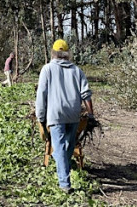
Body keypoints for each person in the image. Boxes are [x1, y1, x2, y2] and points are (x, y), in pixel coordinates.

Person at [35, 39, 94, 193]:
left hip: (55, 114)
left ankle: (64, 183)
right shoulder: (77, 70)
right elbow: (86, 94)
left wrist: (40, 116)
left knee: (60, 147)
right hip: (73, 114)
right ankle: (61, 164)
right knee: (68, 145)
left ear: (53, 53)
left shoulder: (47, 69)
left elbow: (42, 94)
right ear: (68, 54)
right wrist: (90, 114)